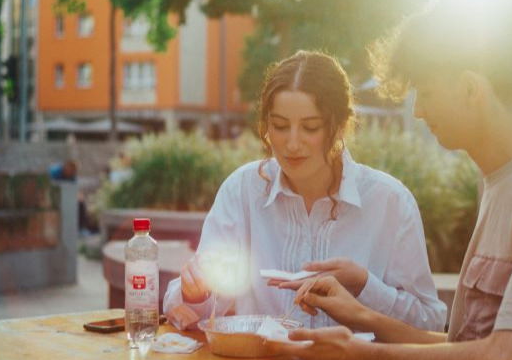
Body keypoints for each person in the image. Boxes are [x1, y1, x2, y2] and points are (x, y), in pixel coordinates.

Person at [271, 2, 512, 360]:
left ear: (470, 89)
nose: (418, 110)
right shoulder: (500, 187)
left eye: (425, 92)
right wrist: (362, 318)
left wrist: (358, 354)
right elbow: (466, 347)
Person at [163, 51, 446, 332]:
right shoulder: (242, 190)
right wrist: (195, 292)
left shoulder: (390, 201)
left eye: (310, 127)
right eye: (280, 126)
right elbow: (187, 311)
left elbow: (429, 323)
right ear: (266, 126)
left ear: (339, 127)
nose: (292, 143)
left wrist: (363, 285)